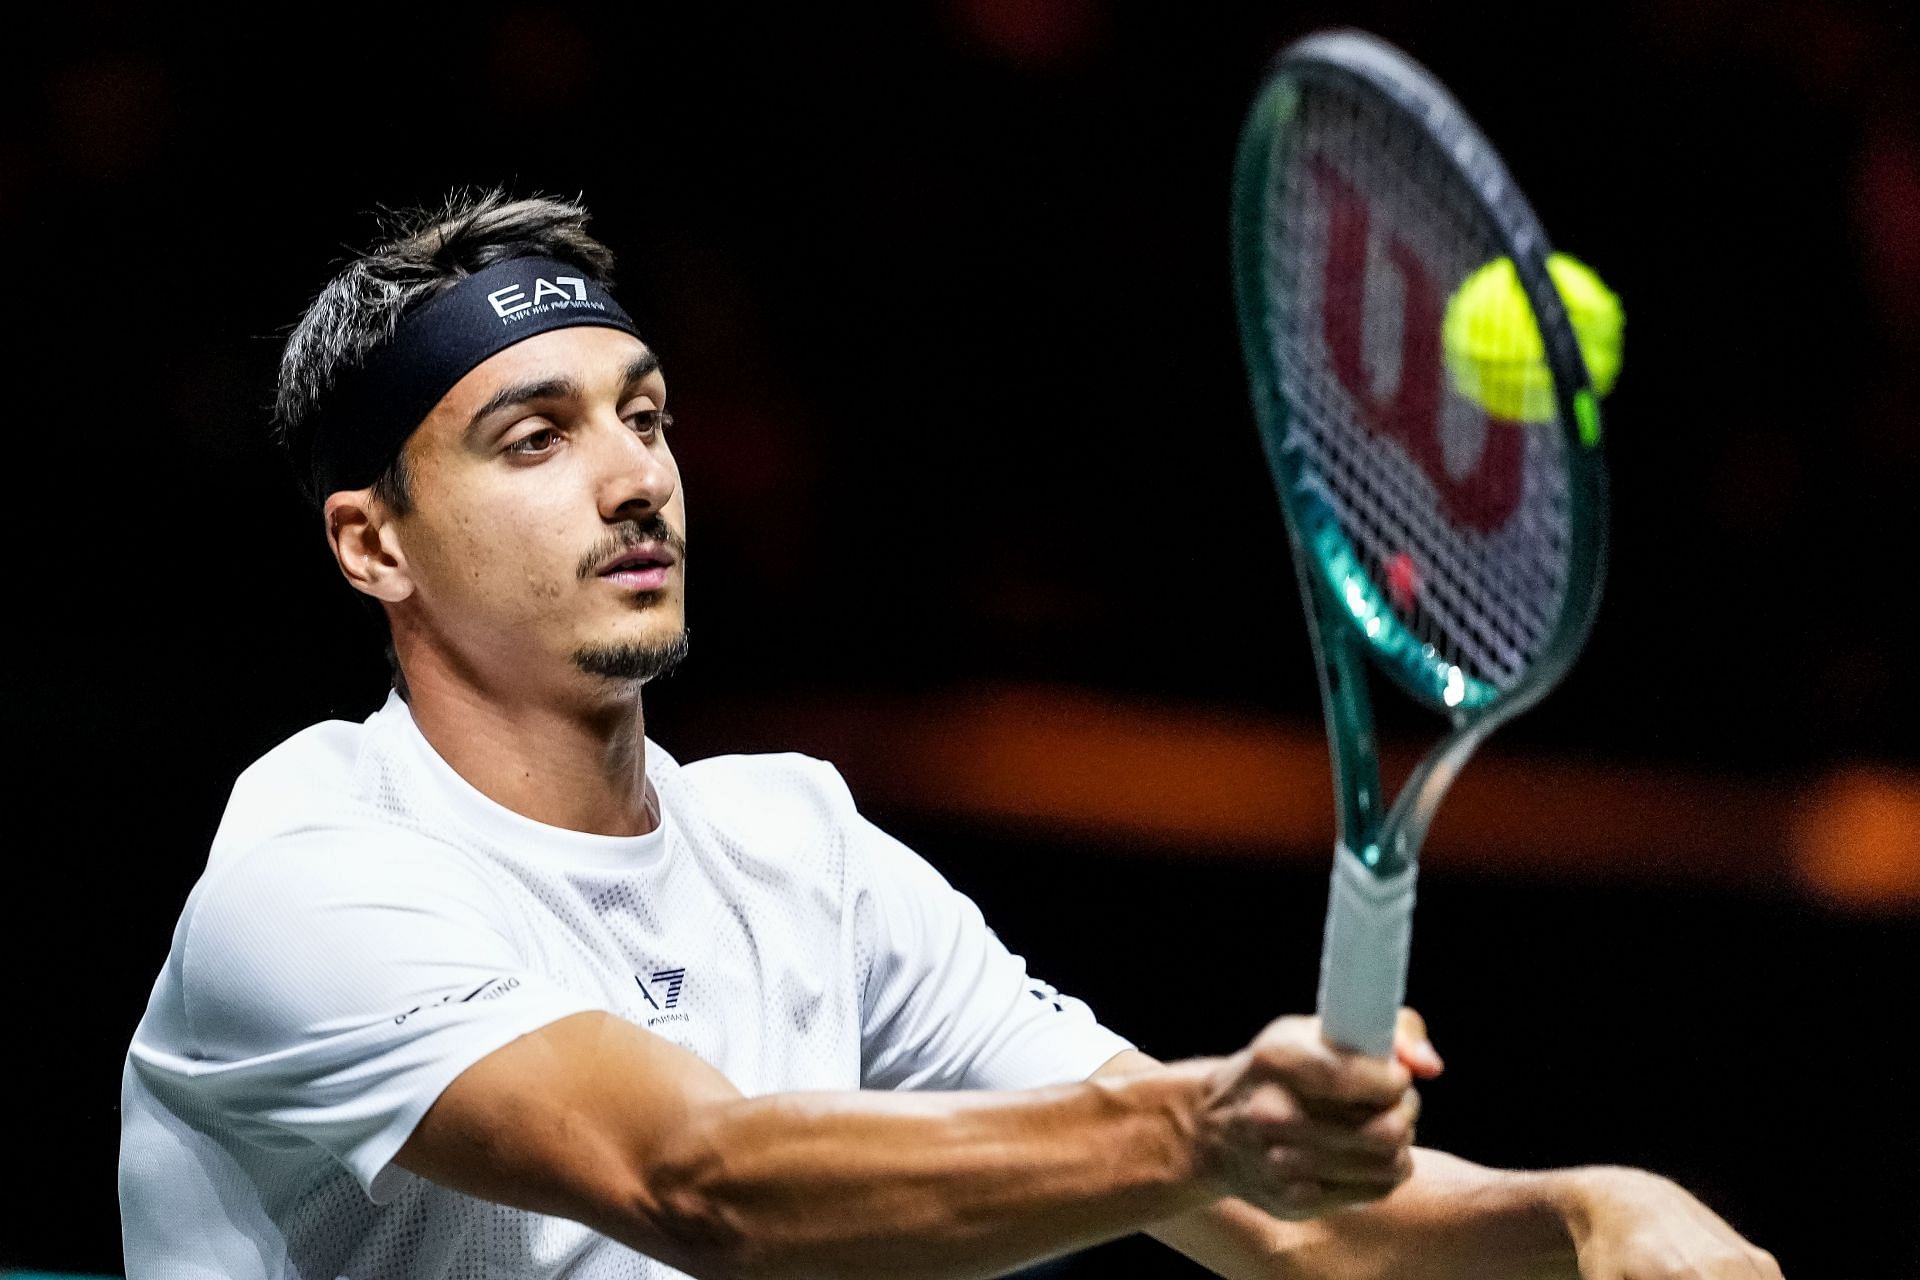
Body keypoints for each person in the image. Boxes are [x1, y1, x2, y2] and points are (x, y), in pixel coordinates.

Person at [119, 190, 1780, 1280]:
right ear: (373, 543)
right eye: (532, 437)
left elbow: (1282, 1235)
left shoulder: (799, 850)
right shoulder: (312, 873)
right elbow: (701, 1185)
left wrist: (1582, 1213)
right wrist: (1206, 1124)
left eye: (645, 415)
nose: (635, 476)